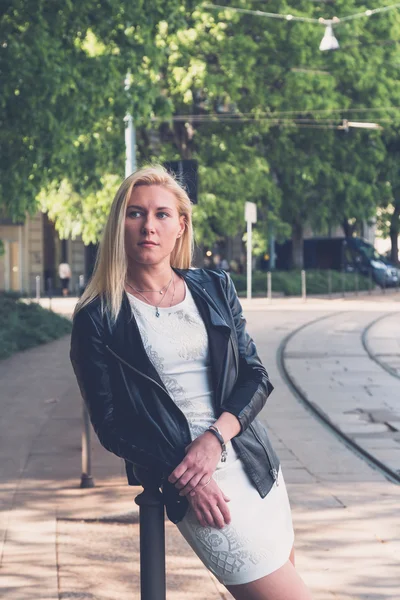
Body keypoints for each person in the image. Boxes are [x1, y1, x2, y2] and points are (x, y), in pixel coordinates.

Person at [70, 165, 313, 600]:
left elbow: (256, 375)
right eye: (135, 213)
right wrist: (188, 477)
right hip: (197, 484)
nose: (149, 225)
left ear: (181, 226)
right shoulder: (98, 318)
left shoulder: (214, 287)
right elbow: (110, 424)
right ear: (118, 224)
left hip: (257, 467)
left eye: (163, 214)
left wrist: (215, 437)